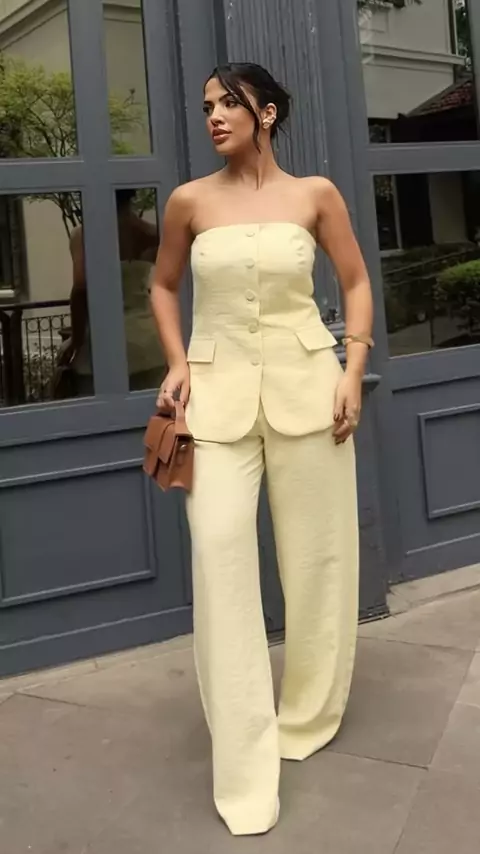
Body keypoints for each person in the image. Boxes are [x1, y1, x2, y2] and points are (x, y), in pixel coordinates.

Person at [150, 62, 373, 836]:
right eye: (206, 105)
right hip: (215, 402)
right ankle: (243, 756)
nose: (213, 115)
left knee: (317, 562)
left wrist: (353, 370)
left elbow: (356, 281)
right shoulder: (189, 201)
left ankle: (306, 714)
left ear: (267, 113)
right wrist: (177, 361)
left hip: (309, 389)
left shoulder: (315, 194)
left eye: (228, 103)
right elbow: (162, 285)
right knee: (220, 561)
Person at [61, 189, 164, 396]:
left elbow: (81, 288)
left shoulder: (83, 235)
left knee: (98, 408)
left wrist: (76, 341)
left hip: (103, 339)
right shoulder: (152, 233)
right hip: (148, 341)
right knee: (149, 407)